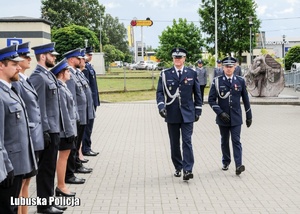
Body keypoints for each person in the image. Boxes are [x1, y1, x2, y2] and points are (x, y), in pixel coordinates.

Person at [0, 45, 37, 214]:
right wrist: (6, 168)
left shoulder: (10, 90)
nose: (19, 67)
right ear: (1, 65)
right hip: (8, 169)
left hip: (18, 165)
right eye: (14, 64)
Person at [156, 47, 202, 181]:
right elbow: (160, 92)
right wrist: (161, 106)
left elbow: (197, 93)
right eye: (175, 57)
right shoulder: (165, 74)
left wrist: (198, 109)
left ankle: (188, 170)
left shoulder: (192, 73)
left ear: (184, 59)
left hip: (188, 113)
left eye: (180, 57)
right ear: (173, 59)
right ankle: (178, 166)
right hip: (172, 113)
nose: (178, 60)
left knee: (187, 141)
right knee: (174, 143)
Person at [29, 42, 65, 214]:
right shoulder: (38, 77)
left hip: (54, 128)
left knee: (49, 169)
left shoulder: (48, 76)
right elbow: (38, 107)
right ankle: (43, 206)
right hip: (48, 131)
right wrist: (43, 131)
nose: (55, 58)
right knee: (45, 170)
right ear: (43, 56)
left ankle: (49, 201)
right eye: (52, 55)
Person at [12, 42, 44, 214]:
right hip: (26, 137)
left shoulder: (25, 80)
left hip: (33, 137)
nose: (28, 59)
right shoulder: (17, 83)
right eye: (25, 57)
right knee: (21, 184)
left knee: (27, 182)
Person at [208, 56, 252, 176]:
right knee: (224, 141)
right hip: (223, 117)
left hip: (236, 117)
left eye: (231, 66)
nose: (228, 69)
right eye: (226, 66)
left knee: (236, 140)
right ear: (223, 67)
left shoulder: (240, 81)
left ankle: (238, 165)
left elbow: (246, 99)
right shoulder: (217, 81)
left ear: (235, 67)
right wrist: (220, 112)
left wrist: (249, 115)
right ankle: (226, 161)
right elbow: (211, 100)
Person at [64, 48, 92, 186]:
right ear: (71, 60)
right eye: (79, 58)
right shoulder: (70, 75)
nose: (83, 60)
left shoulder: (77, 74)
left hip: (82, 114)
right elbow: (71, 99)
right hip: (77, 116)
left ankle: (76, 165)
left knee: (77, 143)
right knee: (73, 145)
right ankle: (70, 171)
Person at [50, 59, 77, 198]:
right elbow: (64, 112)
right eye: (67, 71)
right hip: (65, 130)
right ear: (61, 73)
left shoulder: (63, 86)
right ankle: (61, 185)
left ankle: (62, 185)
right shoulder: (60, 89)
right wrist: (69, 131)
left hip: (68, 128)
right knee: (63, 158)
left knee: (65, 157)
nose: (70, 73)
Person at [82, 47, 100, 157]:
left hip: (93, 100)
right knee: (87, 127)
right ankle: (86, 148)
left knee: (90, 126)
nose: (90, 57)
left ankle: (87, 147)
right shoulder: (84, 69)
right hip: (89, 101)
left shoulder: (89, 67)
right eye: (89, 55)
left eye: (91, 55)